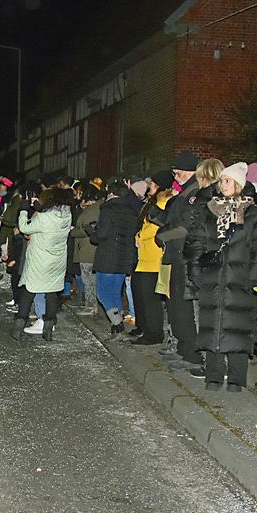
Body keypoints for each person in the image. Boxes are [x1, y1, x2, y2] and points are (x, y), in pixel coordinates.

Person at [184, 162, 257, 390]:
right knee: (212, 326)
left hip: (240, 278)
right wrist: (196, 272)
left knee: (238, 329)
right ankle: (214, 375)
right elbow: (195, 243)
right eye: (221, 181)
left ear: (238, 183)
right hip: (212, 276)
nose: (223, 185)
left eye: (228, 180)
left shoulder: (251, 212)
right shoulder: (208, 210)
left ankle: (237, 379)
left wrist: (254, 280)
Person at [154, 151, 202, 371]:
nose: (176, 175)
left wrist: (163, 235)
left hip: (182, 257)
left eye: (179, 171)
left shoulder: (194, 193)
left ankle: (190, 353)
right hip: (175, 256)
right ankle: (184, 349)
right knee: (175, 306)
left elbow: (184, 228)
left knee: (182, 308)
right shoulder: (185, 192)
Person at [10, 187, 72, 341]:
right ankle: (48, 329)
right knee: (51, 293)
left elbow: (25, 227)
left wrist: (24, 210)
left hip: (40, 260)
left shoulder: (44, 218)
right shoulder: (66, 215)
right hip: (56, 261)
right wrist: (39, 206)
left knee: (29, 291)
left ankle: (18, 328)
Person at [86, 179, 140, 337]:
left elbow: (101, 235)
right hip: (124, 257)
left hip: (108, 256)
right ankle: (116, 326)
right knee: (116, 292)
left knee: (103, 293)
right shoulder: (131, 211)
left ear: (111, 193)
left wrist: (91, 232)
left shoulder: (108, 209)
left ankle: (117, 323)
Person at [132, 170, 174, 346]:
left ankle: (154, 333)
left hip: (153, 257)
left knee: (151, 300)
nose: (149, 186)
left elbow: (155, 227)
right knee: (143, 296)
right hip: (145, 257)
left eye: (152, 183)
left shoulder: (164, 203)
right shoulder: (154, 202)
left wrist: (140, 236)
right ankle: (146, 328)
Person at [69, 184, 102, 317]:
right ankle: (91, 305)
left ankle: (90, 306)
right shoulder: (93, 208)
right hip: (87, 248)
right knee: (89, 279)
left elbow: (88, 228)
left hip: (88, 249)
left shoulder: (94, 209)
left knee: (89, 280)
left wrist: (73, 232)